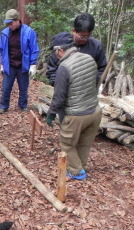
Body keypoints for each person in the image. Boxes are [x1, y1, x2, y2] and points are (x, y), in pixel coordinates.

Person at [46, 42, 102, 180]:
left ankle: (77, 172)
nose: (55, 56)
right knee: (84, 142)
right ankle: (80, 166)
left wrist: (51, 114)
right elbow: (95, 82)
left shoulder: (64, 68)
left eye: (55, 53)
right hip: (95, 111)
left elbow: (59, 97)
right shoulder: (89, 59)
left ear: (60, 50)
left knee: (67, 143)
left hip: (76, 115)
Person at [46, 13, 107, 87]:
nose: (85, 39)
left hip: (86, 89)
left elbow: (103, 68)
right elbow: (52, 69)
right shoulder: (61, 43)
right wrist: (58, 85)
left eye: (88, 35)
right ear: (74, 31)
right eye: (82, 36)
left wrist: (97, 81)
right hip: (62, 87)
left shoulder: (96, 46)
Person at [0, 9, 39, 114]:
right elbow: (1, 50)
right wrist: (2, 63)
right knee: (6, 87)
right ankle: (3, 106)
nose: (9, 25)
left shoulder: (29, 32)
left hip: (23, 65)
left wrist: (32, 64)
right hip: (10, 64)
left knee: (23, 88)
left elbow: (34, 49)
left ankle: (23, 105)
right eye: (7, 24)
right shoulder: (5, 33)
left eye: (11, 23)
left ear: (17, 21)